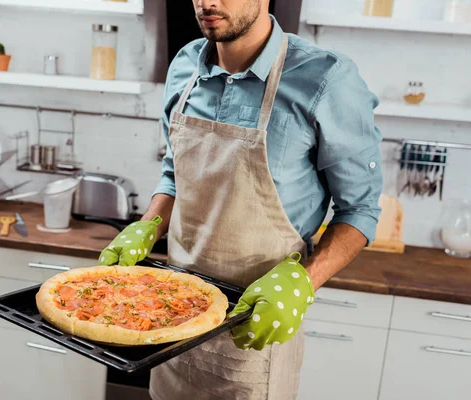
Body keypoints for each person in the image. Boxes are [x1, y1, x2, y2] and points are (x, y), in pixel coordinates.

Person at [98, 0, 383, 398]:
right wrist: (148, 223)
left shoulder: (325, 78)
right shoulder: (184, 66)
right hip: (168, 318)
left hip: (255, 331)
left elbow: (360, 210)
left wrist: (304, 281)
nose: (206, 3)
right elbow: (173, 174)